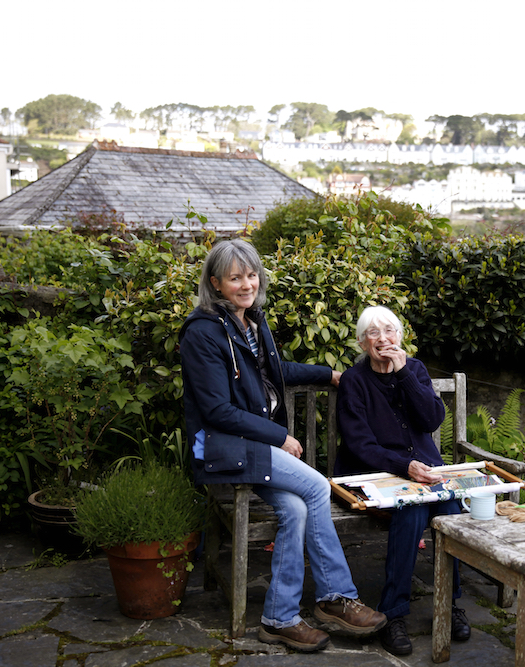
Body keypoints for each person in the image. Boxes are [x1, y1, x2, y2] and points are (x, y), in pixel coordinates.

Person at [179, 240, 386, 653]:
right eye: (235, 277)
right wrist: (279, 436)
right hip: (223, 449)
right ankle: (335, 598)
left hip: (252, 451)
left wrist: (331, 375)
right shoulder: (202, 334)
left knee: (294, 507)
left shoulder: (251, 323)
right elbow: (217, 410)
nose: (246, 284)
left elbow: (278, 371)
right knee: (317, 487)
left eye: (251, 275)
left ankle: (278, 618)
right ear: (216, 283)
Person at [334, 305, 471, 656]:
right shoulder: (354, 381)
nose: (383, 339)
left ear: (400, 337)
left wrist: (405, 374)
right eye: (374, 334)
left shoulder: (416, 370)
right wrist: (404, 465)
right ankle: (393, 613)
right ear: (363, 343)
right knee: (411, 512)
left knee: (452, 511)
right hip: (376, 475)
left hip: (424, 473)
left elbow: (431, 419)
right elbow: (359, 444)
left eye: (390, 331)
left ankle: (449, 602)